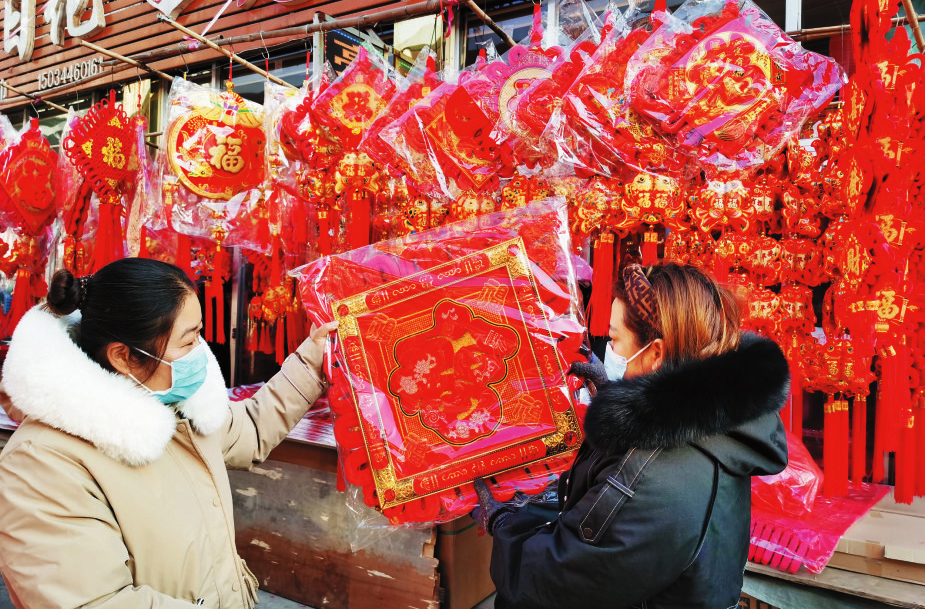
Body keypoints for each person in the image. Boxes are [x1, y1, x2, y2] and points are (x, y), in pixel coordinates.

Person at [0, 258, 337, 608]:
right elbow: (95, 602)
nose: (202, 353)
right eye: (188, 341)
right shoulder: (40, 465)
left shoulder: (176, 406)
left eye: (199, 333)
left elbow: (249, 427)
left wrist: (314, 360)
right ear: (124, 357)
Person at [474, 262, 790, 609]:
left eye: (614, 340)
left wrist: (504, 524)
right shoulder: (713, 420)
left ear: (656, 353)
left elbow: (553, 581)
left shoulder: (654, 480)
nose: (609, 351)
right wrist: (621, 401)